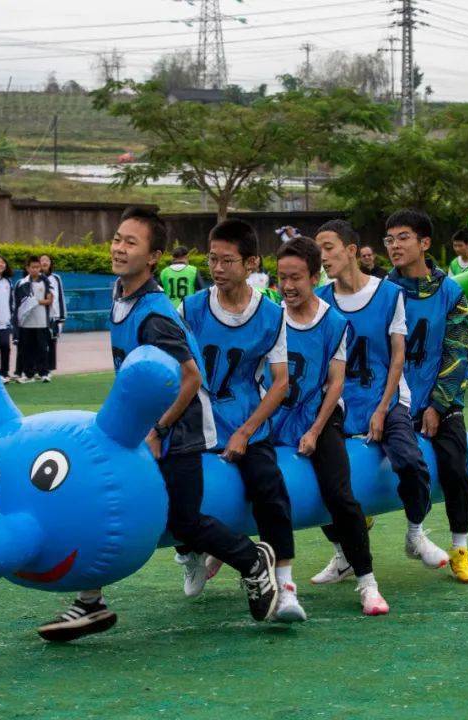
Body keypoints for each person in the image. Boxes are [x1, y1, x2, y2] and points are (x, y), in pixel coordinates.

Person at [38, 207, 278, 642]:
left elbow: (191, 378)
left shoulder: (154, 314)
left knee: (183, 523)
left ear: (153, 257)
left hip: (179, 434)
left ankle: (252, 560)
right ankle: (90, 601)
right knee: (107, 503)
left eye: (130, 242)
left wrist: (157, 432)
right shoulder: (121, 295)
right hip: (141, 429)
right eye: (117, 238)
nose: (118, 247)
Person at [179, 219, 303, 621]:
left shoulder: (271, 315)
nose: (217, 268)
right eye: (212, 259)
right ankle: (191, 554)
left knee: (270, 489)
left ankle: (284, 587)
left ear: (251, 263)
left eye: (227, 260)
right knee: (171, 485)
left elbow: (280, 383)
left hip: (246, 420)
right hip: (195, 420)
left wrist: (246, 433)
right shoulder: (191, 308)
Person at [314, 219, 449, 574]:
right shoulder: (320, 300)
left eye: (328, 248)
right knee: (322, 476)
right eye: (318, 250)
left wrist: (382, 409)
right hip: (339, 403)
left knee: (410, 462)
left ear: (351, 250)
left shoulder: (389, 294)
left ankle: (416, 533)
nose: (322, 256)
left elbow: (398, 357)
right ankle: (343, 554)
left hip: (385, 397)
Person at [272, 236, 390, 615]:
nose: (288, 286)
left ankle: (367, 583)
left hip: (320, 415)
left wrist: (314, 430)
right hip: (277, 415)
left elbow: (336, 383)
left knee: (339, 495)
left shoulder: (334, 322)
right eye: (282, 278)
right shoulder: (270, 317)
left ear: (314, 277)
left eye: (296, 278)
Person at [385, 208, 468, 583]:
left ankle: (460, 550)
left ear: (424, 243)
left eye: (403, 237)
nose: (394, 246)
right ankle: (346, 554)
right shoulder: (382, 292)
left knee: (456, 469)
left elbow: (457, 352)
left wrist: (438, 405)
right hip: (392, 401)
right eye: (389, 239)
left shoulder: (451, 292)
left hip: (441, 399)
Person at [13, 256, 53, 383]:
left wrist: (35, 301)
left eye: (37, 267)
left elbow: (49, 300)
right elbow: (18, 303)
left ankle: (44, 373)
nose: (35, 269)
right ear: (27, 268)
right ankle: (28, 374)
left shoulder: (45, 281)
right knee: (27, 349)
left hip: (41, 322)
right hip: (25, 322)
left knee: (42, 348)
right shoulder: (21, 283)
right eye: (33, 267)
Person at [39, 254, 66, 372]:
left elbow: (60, 297)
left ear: (50, 263)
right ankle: (38, 367)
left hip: (53, 316)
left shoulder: (56, 278)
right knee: (39, 342)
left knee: (52, 342)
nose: (45, 262)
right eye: (42, 260)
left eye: (47, 260)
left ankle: (49, 368)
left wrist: (61, 318)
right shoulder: (34, 278)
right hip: (38, 316)